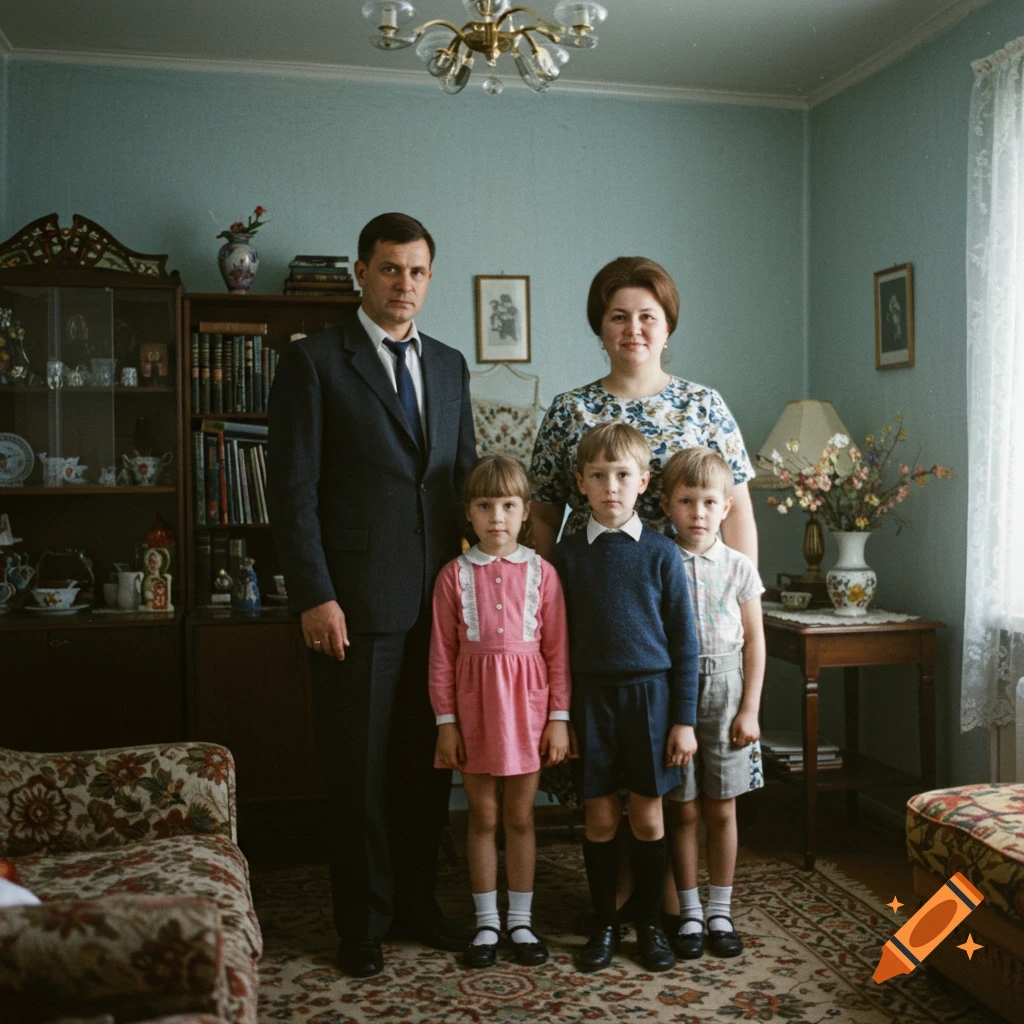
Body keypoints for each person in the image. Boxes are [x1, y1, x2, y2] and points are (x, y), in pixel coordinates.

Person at [266, 212, 477, 978]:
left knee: (427, 769)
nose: (404, 285)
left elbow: (463, 486)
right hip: (353, 606)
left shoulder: (450, 366)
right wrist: (314, 596)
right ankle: (360, 922)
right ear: (360, 273)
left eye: (417, 271)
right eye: (390, 269)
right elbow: (292, 495)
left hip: (442, 606)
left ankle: (417, 902)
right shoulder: (316, 362)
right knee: (356, 775)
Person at [529, 254, 759, 926]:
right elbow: (544, 515)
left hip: (690, 620)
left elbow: (738, 508)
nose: (634, 328)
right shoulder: (572, 410)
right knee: (610, 771)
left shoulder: (703, 404)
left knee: (673, 772)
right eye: (619, 316)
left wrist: (742, 606)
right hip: (604, 617)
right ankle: (622, 892)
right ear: (600, 327)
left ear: (667, 327)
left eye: (647, 317)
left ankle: (676, 895)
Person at [550, 421, 699, 973]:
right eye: (598, 475)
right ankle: (605, 924)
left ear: (643, 482)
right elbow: (554, 646)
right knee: (599, 818)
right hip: (590, 700)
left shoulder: (662, 554)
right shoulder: (565, 558)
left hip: (651, 700)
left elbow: (685, 644)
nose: (610, 486)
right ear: (580, 482)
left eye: (622, 474)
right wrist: (559, 717)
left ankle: (650, 927)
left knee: (648, 817)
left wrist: (682, 720)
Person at [429, 454, 571, 969]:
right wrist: (446, 723)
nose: (496, 517)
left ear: (525, 511)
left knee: (519, 816)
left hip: (529, 712)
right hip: (474, 713)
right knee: (483, 816)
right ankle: (487, 923)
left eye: (508, 505)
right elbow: (441, 657)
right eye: (484, 505)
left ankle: (521, 922)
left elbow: (557, 652)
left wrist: (559, 716)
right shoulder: (453, 576)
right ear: (468, 512)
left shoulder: (543, 574)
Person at [659, 446, 765, 960]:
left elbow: (755, 641)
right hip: (675, 692)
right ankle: (689, 911)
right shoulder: (660, 560)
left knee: (722, 808)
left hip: (726, 689)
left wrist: (751, 708)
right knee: (683, 809)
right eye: (686, 501)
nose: (697, 514)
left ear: (726, 507)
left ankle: (720, 909)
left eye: (708, 502)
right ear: (666, 505)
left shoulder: (739, 567)